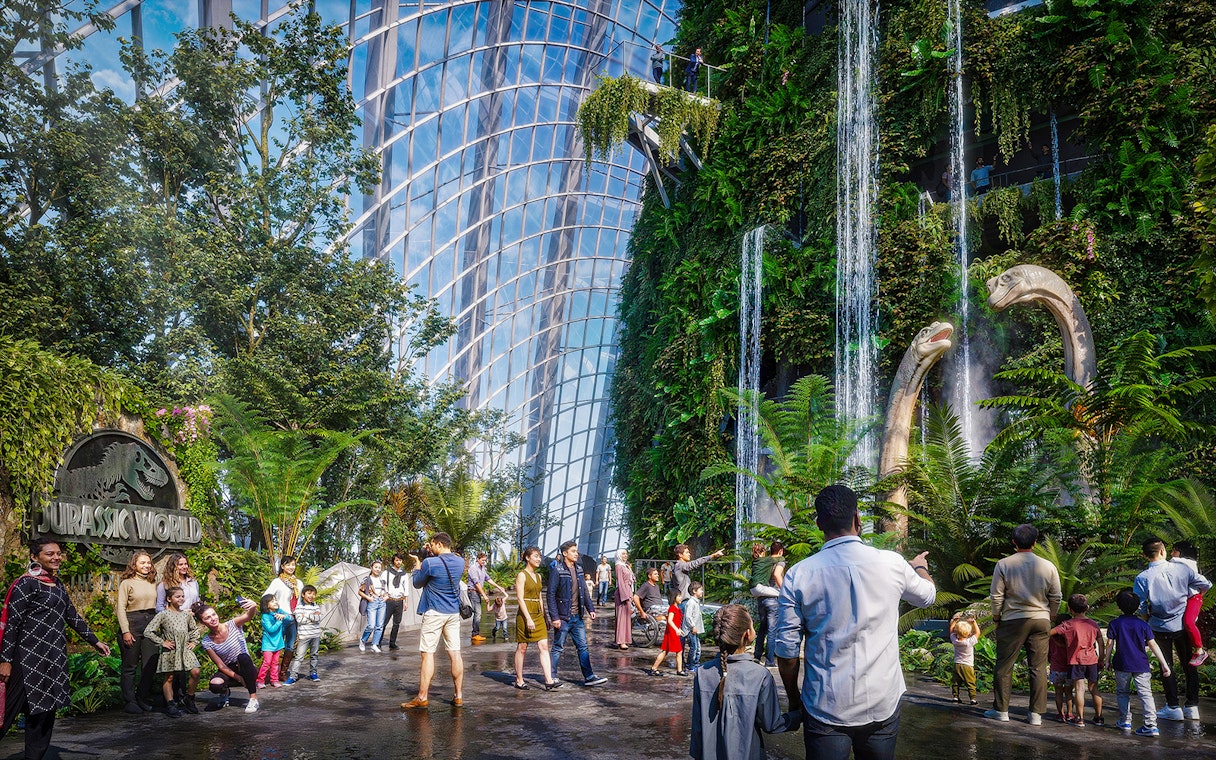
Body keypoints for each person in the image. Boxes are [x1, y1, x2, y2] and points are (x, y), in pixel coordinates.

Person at [774, 484, 936, 759]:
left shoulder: (799, 575)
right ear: (858, 519)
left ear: (819, 524)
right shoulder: (892, 564)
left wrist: (794, 698)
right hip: (881, 702)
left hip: (826, 707)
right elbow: (928, 596)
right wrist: (920, 567)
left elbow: (787, 653)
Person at [0, 540, 112, 759]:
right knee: (7, 713)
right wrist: (5, 660)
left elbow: (71, 616)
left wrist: (95, 641)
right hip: (26, 659)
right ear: (34, 557)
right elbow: (12, 623)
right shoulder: (27, 584)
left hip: (52, 658)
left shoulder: (57, 584)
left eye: (59, 554)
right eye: (50, 554)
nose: (56, 557)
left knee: (44, 713)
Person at [690, 604, 798, 760]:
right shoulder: (760, 675)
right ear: (747, 634)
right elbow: (772, 724)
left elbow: (697, 729)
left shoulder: (702, 672)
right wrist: (797, 716)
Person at [986, 523, 1062, 725]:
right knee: (1038, 667)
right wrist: (1050, 616)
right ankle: (1036, 714)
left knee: (1004, 665)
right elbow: (1056, 596)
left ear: (1013, 542)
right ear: (1035, 543)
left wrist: (996, 617)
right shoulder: (1048, 566)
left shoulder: (1004, 564)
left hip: (1013, 619)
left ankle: (1001, 711)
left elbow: (996, 595)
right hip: (1041, 619)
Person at [1133, 535, 1211, 721]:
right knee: (1189, 664)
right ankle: (1192, 706)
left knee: (1165, 665)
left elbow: (1140, 606)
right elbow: (1205, 584)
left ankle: (1173, 706)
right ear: (1162, 551)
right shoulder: (1182, 569)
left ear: (1145, 556)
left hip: (1158, 626)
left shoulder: (1142, 577)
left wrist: (1147, 617)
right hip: (1182, 623)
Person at [403, 533, 466, 708]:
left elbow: (417, 583)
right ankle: (458, 695)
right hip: (453, 613)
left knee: (427, 653)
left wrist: (417, 565)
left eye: (432, 545)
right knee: (455, 653)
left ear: (439, 544)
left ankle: (422, 697)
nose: (430, 548)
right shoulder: (460, 562)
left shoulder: (430, 563)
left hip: (434, 612)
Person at [1106, 589, 1171, 736]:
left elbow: (1109, 643)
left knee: (1122, 693)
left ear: (1119, 606)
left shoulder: (1115, 623)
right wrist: (1164, 664)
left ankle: (1124, 721)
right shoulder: (1143, 625)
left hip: (1122, 664)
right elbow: (1153, 644)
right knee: (1146, 694)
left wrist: (1107, 661)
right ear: (1137, 607)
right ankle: (1150, 725)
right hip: (1141, 664)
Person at [546, 540, 608, 687]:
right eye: (573, 551)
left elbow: (584, 592)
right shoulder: (558, 570)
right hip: (563, 617)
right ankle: (551, 677)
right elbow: (550, 595)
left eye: (576, 551)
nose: (576, 554)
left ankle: (589, 677)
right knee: (557, 647)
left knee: (583, 647)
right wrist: (554, 617)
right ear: (565, 553)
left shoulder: (579, 569)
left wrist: (591, 609)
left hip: (578, 617)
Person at [143, 586, 202, 717]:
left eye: (182, 596)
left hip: (185, 649)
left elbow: (193, 630)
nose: (181, 599)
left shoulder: (186, 614)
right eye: (177, 596)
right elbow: (148, 631)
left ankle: (189, 698)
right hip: (171, 649)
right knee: (169, 676)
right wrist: (162, 642)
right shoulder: (163, 614)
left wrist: (193, 642)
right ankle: (170, 704)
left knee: (195, 671)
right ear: (169, 599)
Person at [195, 598, 261, 713]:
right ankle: (224, 692)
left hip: (244, 666)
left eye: (214, 615)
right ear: (202, 622)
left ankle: (253, 699)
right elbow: (221, 665)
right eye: (207, 618)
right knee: (215, 685)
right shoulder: (206, 641)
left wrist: (253, 606)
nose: (213, 619)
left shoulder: (232, 624)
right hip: (228, 669)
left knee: (243, 657)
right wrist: (239, 678)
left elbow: (248, 616)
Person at [1050, 594, 1105, 726]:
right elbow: (1101, 643)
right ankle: (1099, 717)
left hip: (1076, 661)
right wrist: (1101, 659)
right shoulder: (1093, 624)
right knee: (1093, 688)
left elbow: (1050, 632)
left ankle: (1080, 718)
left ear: (1070, 609)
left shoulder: (1068, 624)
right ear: (1087, 607)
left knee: (1079, 689)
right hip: (1092, 660)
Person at [116, 550, 159, 714]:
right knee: (130, 666)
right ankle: (130, 701)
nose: (146, 565)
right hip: (132, 623)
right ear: (134, 565)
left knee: (150, 664)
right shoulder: (127, 583)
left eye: (148, 563)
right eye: (143, 563)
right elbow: (120, 608)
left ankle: (141, 697)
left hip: (151, 623)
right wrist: (125, 631)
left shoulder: (154, 582)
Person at [512, 546, 560, 691]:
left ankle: (549, 680)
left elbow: (539, 597)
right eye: (535, 556)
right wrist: (528, 618)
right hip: (525, 612)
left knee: (544, 646)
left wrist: (545, 616)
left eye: (540, 556)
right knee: (522, 647)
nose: (539, 559)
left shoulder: (538, 576)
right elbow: (520, 598)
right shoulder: (522, 575)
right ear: (527, 558)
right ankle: (519, 680)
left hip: (538, 613)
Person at [263, 556, 303, 678]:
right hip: (279, 618)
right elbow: (266, 597)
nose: (291, 567)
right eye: (288, 564)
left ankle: (283, 672)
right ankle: (268, 673)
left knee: (290, 646)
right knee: (275, 645)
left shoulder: (299, 583)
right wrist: (272, 612)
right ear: (282, 567)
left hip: (293, 618)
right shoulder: (277, 582)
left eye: (293, 564)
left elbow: (301, 601)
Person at [1171, 540, 1207, 667]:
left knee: (1188, 622)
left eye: (1174, 550)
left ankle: (1200, 650)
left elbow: (1171, 563)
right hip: (1189, 598)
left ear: (1182, 552)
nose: (1171, 554)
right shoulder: (1185, 564)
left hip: (1193, 598)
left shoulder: (1185, 563)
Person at [749, 541, 785, 667]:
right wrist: (787, 592)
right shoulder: (777, 561)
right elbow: (777, 574)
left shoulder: (760, 562)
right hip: (771, 600)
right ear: (780, 551)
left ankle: (757, 656)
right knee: (772, 630)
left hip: (760, 598)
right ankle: (770, 661)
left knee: (763, 628)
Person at [285, 585, 322, 684]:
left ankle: (313, 674)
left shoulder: (316, 606)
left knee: (314, 655)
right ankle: (293, 676)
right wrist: (313, 616)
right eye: (309, 593)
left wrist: (306, 615)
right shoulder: (299, 607)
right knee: (299, 657)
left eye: (314, 594)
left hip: (316, 635)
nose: (312, 596)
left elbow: (319, 618)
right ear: (303, 594)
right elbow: (300, 620)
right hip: (304, 636)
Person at [468, 551, 505, 644]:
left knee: (477, 613)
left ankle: (475, 633)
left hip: (477, 593)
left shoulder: (482, 568)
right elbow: (476, 584)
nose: (484, 562)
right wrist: (484, 595)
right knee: (478, 613)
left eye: (485, 560)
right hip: (473, 592)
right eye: (483, 560)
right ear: (478, 559)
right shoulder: (473, 568)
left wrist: (498, 586)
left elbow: (488, 579)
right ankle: (475, 634)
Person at [648, 589, 685, 677]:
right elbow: (670, 620)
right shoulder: (672, 608)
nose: (681, 598)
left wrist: (679, 629)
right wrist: (676, 629)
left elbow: (676, 621)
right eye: (679, 596)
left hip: (673, 632)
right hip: (672, 633)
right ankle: (679, 670)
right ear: (674, 597)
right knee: (677, 651)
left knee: (667, 651)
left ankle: (655, 668)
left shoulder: (676, 608)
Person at [256, 593, 288, 687]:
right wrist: (279, 621)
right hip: (268, 644)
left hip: (278, 643)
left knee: (275, 663)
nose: (276, 602)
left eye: (275, 600)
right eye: (272, 601)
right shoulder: (265, 617)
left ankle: (274, 680)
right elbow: (271, 629)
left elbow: (288, 616)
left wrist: (284, 616)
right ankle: (260, 680)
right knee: (267, 663)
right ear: (266, 604)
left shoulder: (278, 611)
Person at [1048, 614, 1075, 723]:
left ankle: (1061, 714)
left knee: (1058, 692)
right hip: (1069, 668)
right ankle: (1070, 713)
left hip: (1056, 668)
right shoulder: (1071, 637)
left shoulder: (1052, 638)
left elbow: (1049, 653)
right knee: (1069, 693)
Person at [358, 559, 387, 653]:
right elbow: (359, 591)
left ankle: (374, 644)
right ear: (371, 568)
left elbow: (386, 592)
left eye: (379, 567)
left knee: (380, 625)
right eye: (376, 567)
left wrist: (386, 597)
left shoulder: (382, 580)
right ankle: (363, 640)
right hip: (372, 602)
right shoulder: (367, 579)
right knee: (371, 625)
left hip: (382, 602)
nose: (378, 569)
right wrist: (368, 598)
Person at [949, 614, 979, 706]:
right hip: (968, 665)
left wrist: (954, 621)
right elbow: (978, 633)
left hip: (957, 664)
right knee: (970, 682)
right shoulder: (969, 642)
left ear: (956, 632)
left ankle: (955, 697)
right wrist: (974, 623)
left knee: (956, 682)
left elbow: (951, 631)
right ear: (969, 633)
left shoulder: (955, 641)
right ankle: (973, 699)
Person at [385, 553, 411, 651]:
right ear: (393, 561)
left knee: (396, 623)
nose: (398, 562)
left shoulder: (404, 574)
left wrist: (406, 602)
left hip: (399, 601)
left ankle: (392, 643)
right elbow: (382, 585)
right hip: (389, 600)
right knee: (384, 622)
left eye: (400, 560)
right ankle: (377, 642)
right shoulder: (387, 572)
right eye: (396, 560)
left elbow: (406, 589)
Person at [614, 549, 636, 650]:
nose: (625, 555)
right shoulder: (619, 566)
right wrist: (625, 596)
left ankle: (625, 639)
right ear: (619, 555)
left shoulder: (625, 566)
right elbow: (621, 582)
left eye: (626, 553)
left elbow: (632, 579)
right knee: (622, 617)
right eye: (623, 554)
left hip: (628, 591)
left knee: (626, 617)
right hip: (623, 593)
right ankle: (621, 640)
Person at [682, 581, 705, 669]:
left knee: (697, 648)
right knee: (694, 648)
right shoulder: (691, 602)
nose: (702, 592)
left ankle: (695, 663)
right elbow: (688, 616)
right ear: (694, 591)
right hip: (691, 630)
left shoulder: (695, 602)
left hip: (694, 630)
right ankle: (690, 665)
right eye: (700, 590)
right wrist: (693, 626)